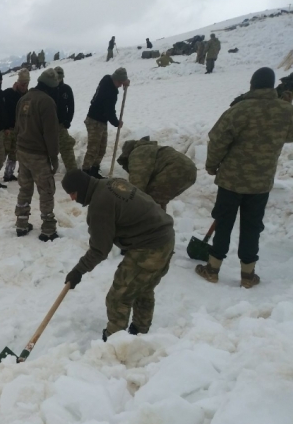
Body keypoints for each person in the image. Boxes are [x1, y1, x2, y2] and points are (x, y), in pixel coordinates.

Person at [196, 67, 293, 288]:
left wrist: (212, 166)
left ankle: (212, 269)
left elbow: (218, 139)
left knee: (224, 222)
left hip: (231, 180)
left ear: (252, 84)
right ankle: (248, 276)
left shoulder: (239, 110)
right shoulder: (285, 111)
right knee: (252, 227)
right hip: (260, 183)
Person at [61, 169, 175, 340]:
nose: (72, 198)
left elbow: (100, 249)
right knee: (143, 287)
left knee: (118, 297)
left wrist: (78, 271)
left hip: (150, 246)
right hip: (165, 237)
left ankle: (115, 341)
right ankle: (140, 332)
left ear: (82, 187)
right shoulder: (110, 183)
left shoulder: (100, 205)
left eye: (73, 193)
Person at [14, 69, 61, 241]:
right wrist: (54, 157)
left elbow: (17, 126)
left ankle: (21, 222)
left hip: (23, 151)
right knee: (46, 190)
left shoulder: (24, 98)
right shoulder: (47, 102)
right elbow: (51, 133)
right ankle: (48, 227)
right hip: (38, 155)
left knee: (25, 188)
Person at [116, 136, 197, 210]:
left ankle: (152, 224)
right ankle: (160, 224)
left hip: (176, 169)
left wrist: (127, 205)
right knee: (157, 201)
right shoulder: (149, 148)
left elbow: (137, 184)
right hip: (190, 171)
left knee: (150, 202)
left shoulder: (137, 153)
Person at [82, 68, 130, 178]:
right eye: (120, 83)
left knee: (102, 149)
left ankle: (94, 170)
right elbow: (109, 112)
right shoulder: (110, 93)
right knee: (93, 149)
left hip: (102, 121)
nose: (120, 85)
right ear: (116, 80)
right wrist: (117, 123)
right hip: (94, 121)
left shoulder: (107, 78)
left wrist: (124, 81)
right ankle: (85, 174)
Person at [2, 69, 30, 182]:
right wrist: (5, 126)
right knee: (3, 152)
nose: (24, 86)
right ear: (17, 82)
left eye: (26, 84)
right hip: (8, 128)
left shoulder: (29, 96)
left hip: (20, 129)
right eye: (22, 84)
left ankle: (8, 174)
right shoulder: (8, 93)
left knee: (14, 153)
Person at [53, 66, 78, 171]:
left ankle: (73, 172)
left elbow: (71, 106)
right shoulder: (48, 88)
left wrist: (68, 120)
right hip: (48, 125)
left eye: (60, 76)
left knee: (66, 148)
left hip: (61, 125)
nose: (58, 79)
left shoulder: (66, 89)